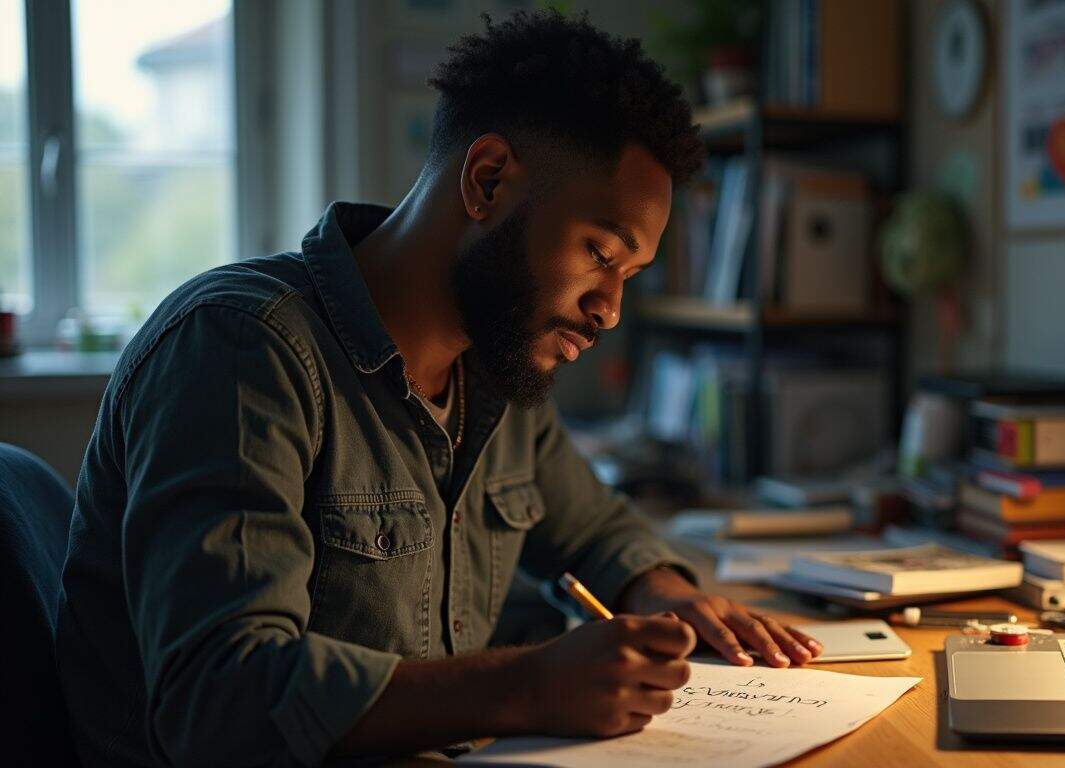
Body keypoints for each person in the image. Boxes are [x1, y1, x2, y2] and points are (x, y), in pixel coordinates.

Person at [55, 10, 821, 767]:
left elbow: (594, 531)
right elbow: (219, 702)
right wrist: (527, 685)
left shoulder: (496, 368)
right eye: (599, 253)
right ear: (487, 181)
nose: (610, 310)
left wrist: (660, 591)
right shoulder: (239, 349)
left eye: (629, 276)